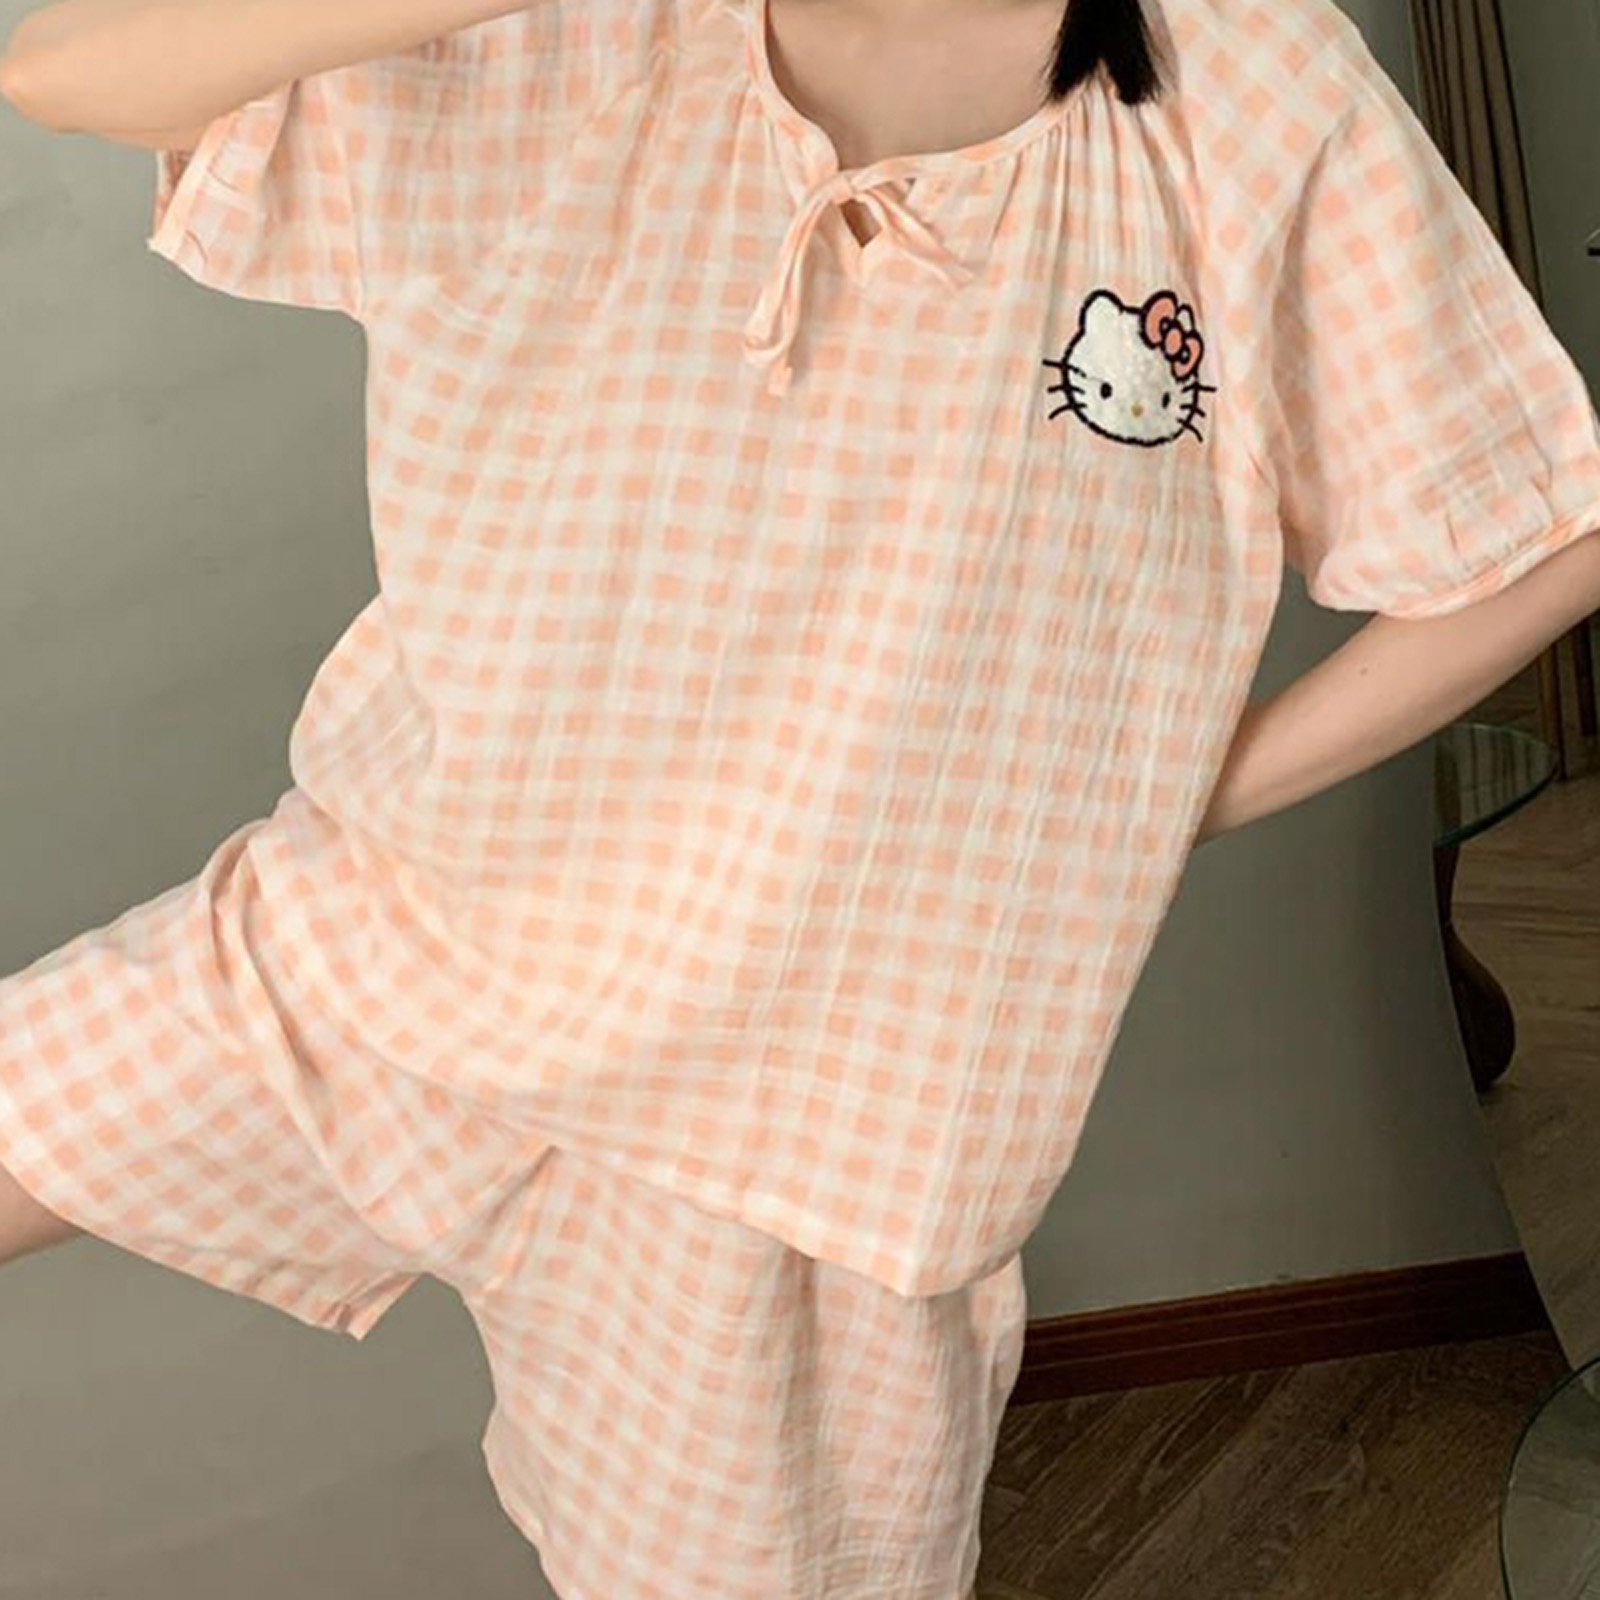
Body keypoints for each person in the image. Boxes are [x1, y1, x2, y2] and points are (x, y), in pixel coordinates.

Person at [2, 0, 1598, 1594]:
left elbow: (1541, 540)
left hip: (806, 1139)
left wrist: (1151, 794)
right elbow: (66, 71)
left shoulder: (1242, 85)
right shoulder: (575, 37)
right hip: (387, 947)